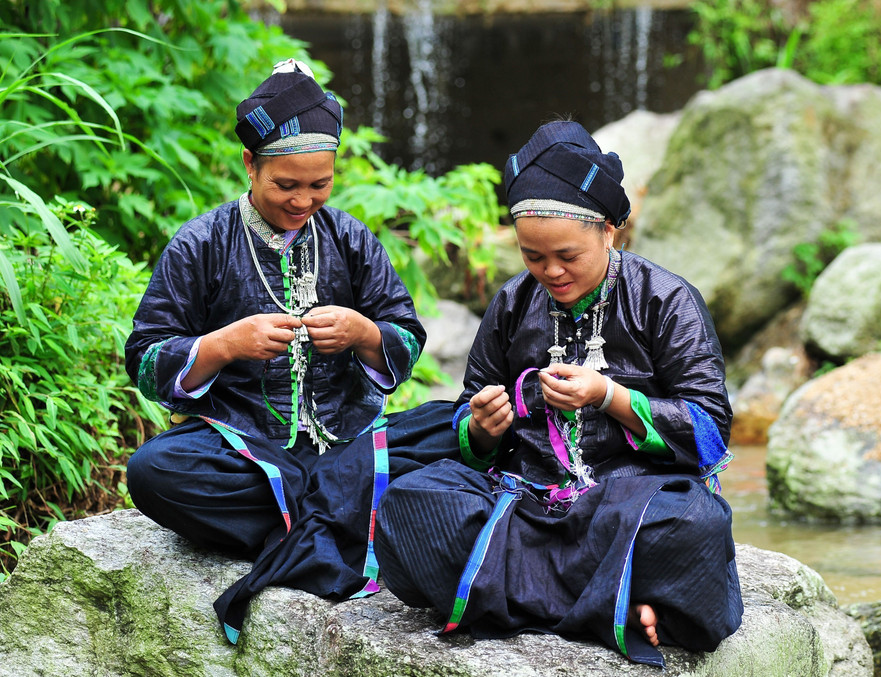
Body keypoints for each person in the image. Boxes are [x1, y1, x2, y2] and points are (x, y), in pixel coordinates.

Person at [372, 120, 744, 666]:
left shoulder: (666, 300)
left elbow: (710, 432)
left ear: (609, 232)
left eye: (567, 256)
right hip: (526, 502)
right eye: (532, 257)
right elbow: (471, 420)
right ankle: (613, 600)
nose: (550, 271)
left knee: (696, 526)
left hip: (628, 504)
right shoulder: (512, 304)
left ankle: (509, 593)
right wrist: (480, 427)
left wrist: (610, 397)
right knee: (412, 502)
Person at [124, 59, 457, 642]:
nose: (304, 201)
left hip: (346, 442)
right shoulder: (202, 243)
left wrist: (364, 334)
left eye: (319, 185)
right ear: (250, 165)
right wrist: (224, 344)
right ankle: (343, 518)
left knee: (457, 427)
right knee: (154, 472)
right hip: (244, 448)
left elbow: (405, 336)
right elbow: (148, 360)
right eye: (286, 185)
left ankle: (308, 521)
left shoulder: (351, 239)